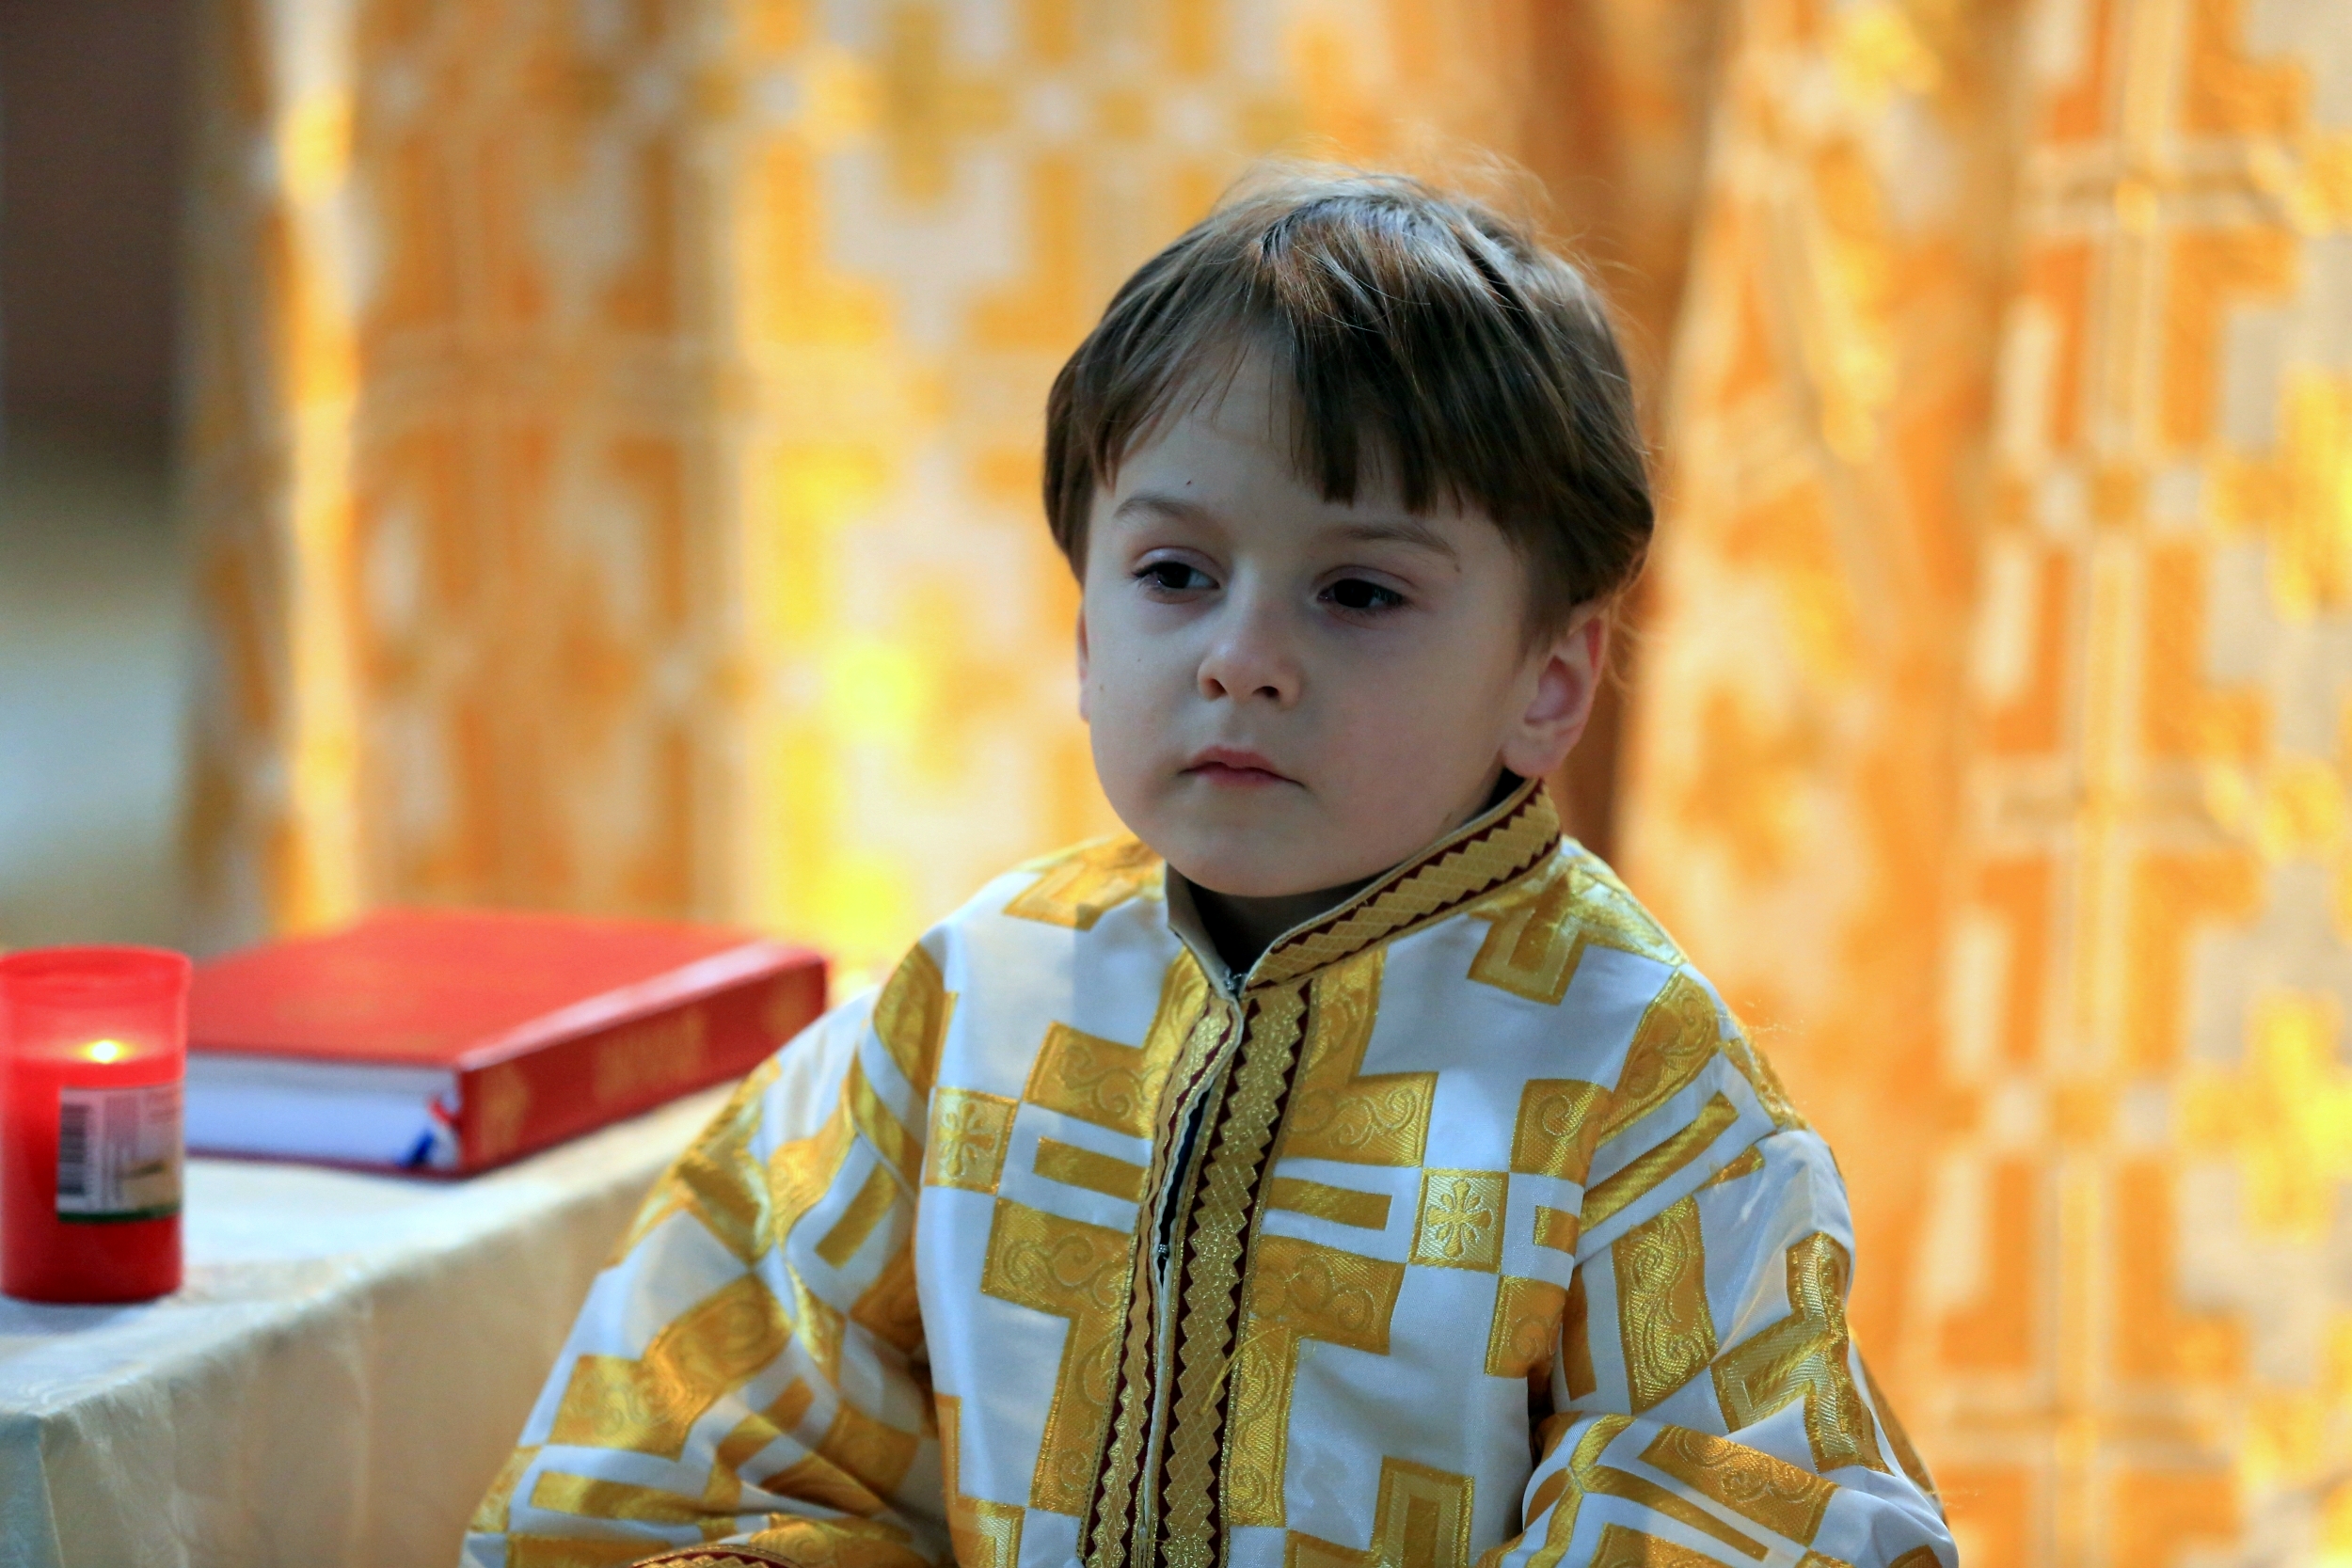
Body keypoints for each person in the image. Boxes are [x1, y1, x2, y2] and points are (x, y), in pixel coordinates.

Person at [461, 167, 1953, 1568]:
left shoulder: (1634, 1081)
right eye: (1176, 574)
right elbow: (698, 1439)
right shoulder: (973, 1001)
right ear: (1087, 635)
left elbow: (1738, 1502)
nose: (1242, 659)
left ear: (1548, 681)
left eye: (1357, 592)